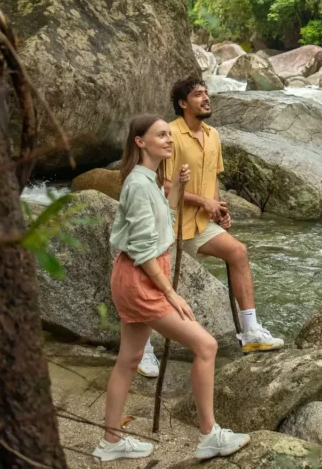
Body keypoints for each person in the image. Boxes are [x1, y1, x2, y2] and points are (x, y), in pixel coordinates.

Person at [94, 114, 250, 462]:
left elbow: (167, 214)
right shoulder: (136, 184)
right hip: (141, 279)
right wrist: (171, 293)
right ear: (140, 141)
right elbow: (142, 249)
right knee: (206, 345)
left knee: (129, 358)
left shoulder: (149, 179)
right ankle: (209, 434)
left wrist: (178, 185)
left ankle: (111, 441)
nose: (168, 140)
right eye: (160, 135)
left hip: (138, 277)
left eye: (169, 134)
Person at [136, 76, 282, 379]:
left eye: (207, 93)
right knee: (155, 286)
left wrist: (218, 210)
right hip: (168, 223)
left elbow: (213, 178)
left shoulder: (213, 135)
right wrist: (204, 201)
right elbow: (162, 184)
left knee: (238, 252)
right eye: (198, 94)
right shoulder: (169, 135)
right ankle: (142, 350)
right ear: (182, 104)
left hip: (200, 224)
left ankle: (250, 330)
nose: (206, 98)